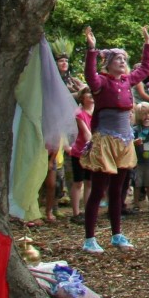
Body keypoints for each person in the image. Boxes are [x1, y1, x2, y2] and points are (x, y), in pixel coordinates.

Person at [80, 26, 149, 253]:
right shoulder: (102, 82)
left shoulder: (127, 81)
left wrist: (148, 45)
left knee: (118, 190)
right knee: (98, 188)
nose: (122, 62)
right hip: (105, 140)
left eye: (124, 58)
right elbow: (89, 76)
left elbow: (145, 68)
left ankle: (116, 234)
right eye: (117, 59)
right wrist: (92, 49)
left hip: (124, 140)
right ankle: (89, 238)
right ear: (108, 63)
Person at [68, 88, 94, 221]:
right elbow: (86, 133)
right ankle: (76, 213)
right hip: (80, 152)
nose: (91, 97)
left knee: (89, 182)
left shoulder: (98, 112)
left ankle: (88, 211)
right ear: (82, 98)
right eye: (88, 95)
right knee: (78, 182)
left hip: (93, 152)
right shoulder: (79, 114)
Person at [129, 103, 149, 213]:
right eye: (143, 114)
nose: (146, 116)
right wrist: (135, 142)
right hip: (138, 162)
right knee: (137, 184)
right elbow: (130, 143)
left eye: (148, 113)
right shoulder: (136, 129)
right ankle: (136, 203)